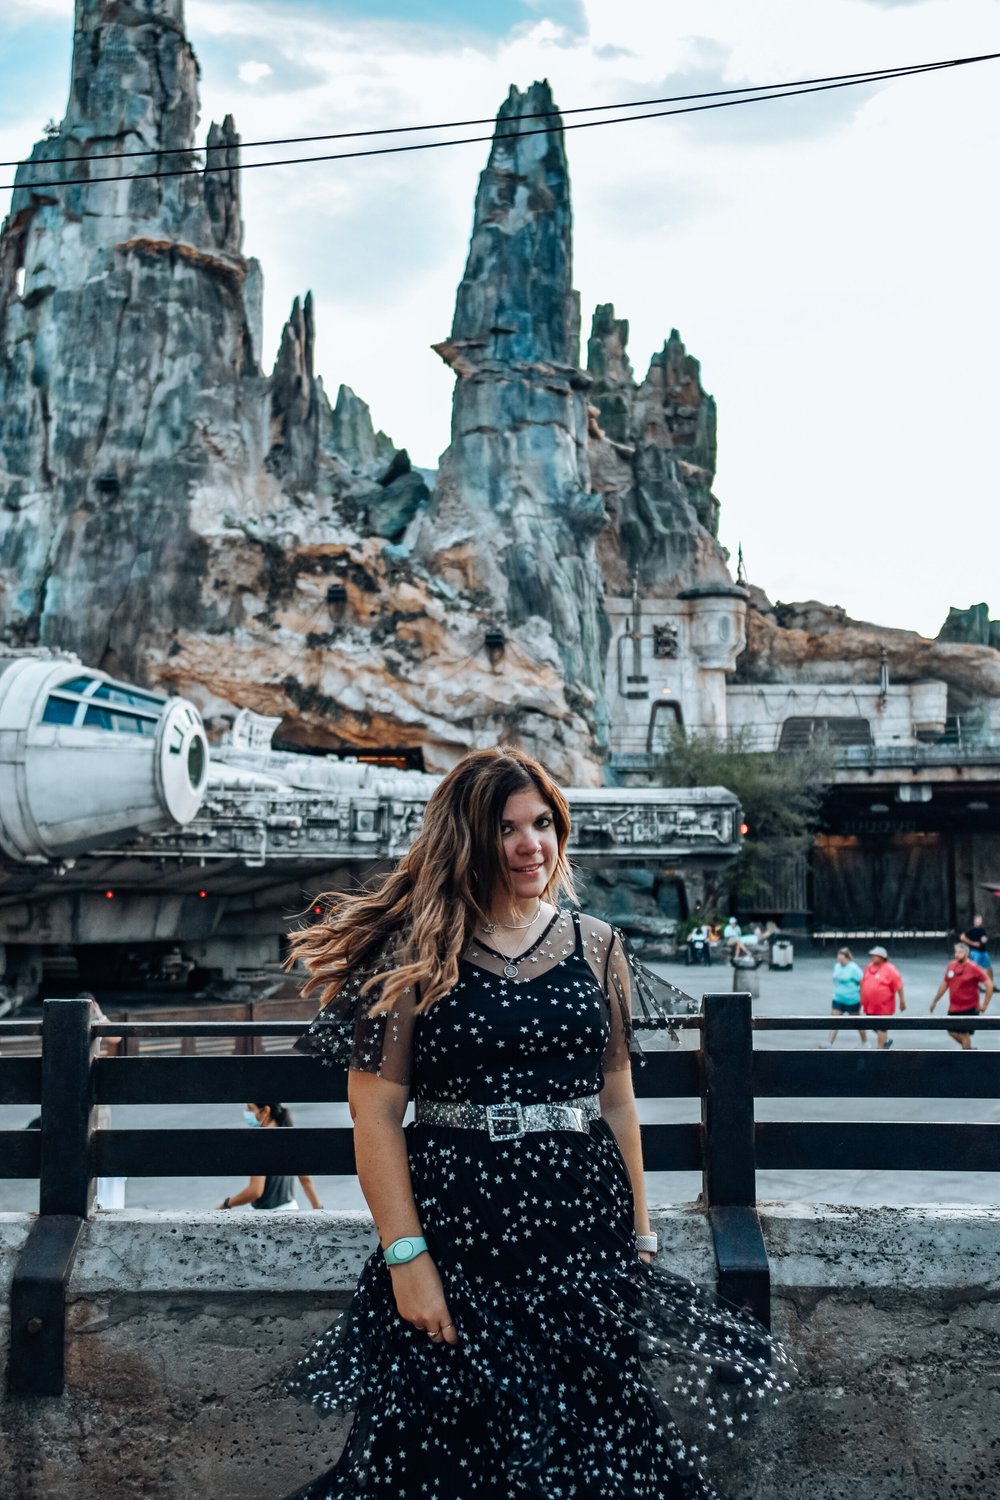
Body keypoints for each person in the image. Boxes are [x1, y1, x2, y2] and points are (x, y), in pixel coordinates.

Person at [282, 747, 790, 1499]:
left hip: (581, 1234)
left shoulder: (598, 945)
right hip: (459, 1233)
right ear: (468, 838)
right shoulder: (413, 950)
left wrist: (641, 1240)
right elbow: (376, 1114)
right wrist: (407, 1260)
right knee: (442, 1450)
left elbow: (616, 1099)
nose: (532, 845)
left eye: (544, 823)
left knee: (595, 1445)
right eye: (508, 828)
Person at [218, 1102, 323, 1212]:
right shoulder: (292, 1137)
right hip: (291, 1209)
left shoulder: (260, 1143)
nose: (247, 1113)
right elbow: (306, 1180)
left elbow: (255, 1191)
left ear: (266, 1111)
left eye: (250, 1109)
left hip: (264, 1216)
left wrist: (226, 1204)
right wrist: (319, 1211)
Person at [930, 941, 994, 1050]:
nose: (957, 954)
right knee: (951, 1030)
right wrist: (935, 1000)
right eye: (956, 952)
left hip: (969, 1008)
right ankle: (968, 1051)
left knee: (964, 1035)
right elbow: (945, 983)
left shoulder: (974, 968)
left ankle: (967, 1059)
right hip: (954, 1007)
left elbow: (988, 984)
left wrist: (985, 1004)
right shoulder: (951, 965)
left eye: (960, 952)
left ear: (966, 953)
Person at [860, 946, 905, 1050]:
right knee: (872, 1024)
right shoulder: (869, 967)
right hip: (870, 1005)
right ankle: (885, 1040)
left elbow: (899, 985)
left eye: (875, 955)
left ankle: (880, 1049)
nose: (872, 957)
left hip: (884, 1006)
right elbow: (863, 982)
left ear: (882, 957)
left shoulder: (890, 969)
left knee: (881, 1027)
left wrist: (902, 1001)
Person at [819, 947, 866, 1048]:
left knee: (857, 1022)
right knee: (835, 1021)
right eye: (838, 958)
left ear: (847, 958)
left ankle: (865, 1042)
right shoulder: (837, 966)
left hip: (852, 1000)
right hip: (839, 999)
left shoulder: (853, 968)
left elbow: (862, 982)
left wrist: (861, 996)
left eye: (842, 958)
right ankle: (829, 1043)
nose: (839, 960)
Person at [960, 915, 993, 980]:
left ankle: (991, 985)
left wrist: (985, 939)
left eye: (980, 920)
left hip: (983, 951)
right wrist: (972, 943)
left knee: (989, 968)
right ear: (974, 921)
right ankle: (975, 985)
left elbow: (984, 938)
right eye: (977, 920)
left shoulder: (982, 930)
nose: (978, 921)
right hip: (975, 952)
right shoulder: (971, 930)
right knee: (974, 969)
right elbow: (962, 937)